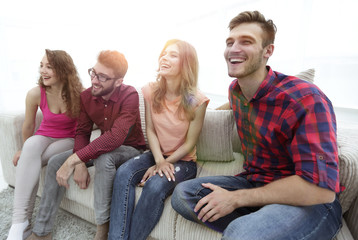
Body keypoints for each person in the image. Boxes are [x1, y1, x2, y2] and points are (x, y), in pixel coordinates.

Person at [171, 11, 343, 240]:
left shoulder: (305, 99)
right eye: (230, 42)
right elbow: (228, 107)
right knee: (183, 194)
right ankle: (266, 222)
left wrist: (236, 199)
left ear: (268, 51)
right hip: (256, 182)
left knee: (241, 234)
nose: (234, 49)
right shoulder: (236, 90)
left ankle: (258, 227)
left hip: (310, 202)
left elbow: (320, 190)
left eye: (246, 42)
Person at [27, 50, 146, 240]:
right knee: (57, 161)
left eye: (102, 77)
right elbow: (82, 132)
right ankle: (42, 231)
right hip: (102, 149)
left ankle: (102, 231)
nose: (95, 80)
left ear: (118, 81)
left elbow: (115, 137)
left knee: (103, 157)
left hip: (131, 150)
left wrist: (74, 160)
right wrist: (80, 163)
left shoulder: (130, 95)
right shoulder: (86, 97)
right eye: (93, 72)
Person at [108, 39, 209, 240]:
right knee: (123, 173)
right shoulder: (150, 91)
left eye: (173, 55)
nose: (164, 57)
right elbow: (151, 130)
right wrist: (158, 160)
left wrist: (164, 164)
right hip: (156, 154)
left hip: (183, 161)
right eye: (164, 53)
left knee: (154, 186)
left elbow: (189, 144)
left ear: (186, 64)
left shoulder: (195, 100)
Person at [6, 49, 83, 240]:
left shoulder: (79, 94)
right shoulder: (35, 93)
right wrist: (24, 149)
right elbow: (29, 125)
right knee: (31, 146)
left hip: (68, 140)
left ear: (64, 70)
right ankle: (19, 223)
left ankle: (21, 224)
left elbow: (84, 128)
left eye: (49, 67)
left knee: (29, 160)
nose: (43, 71)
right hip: (45, 137)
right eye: (41, 66)